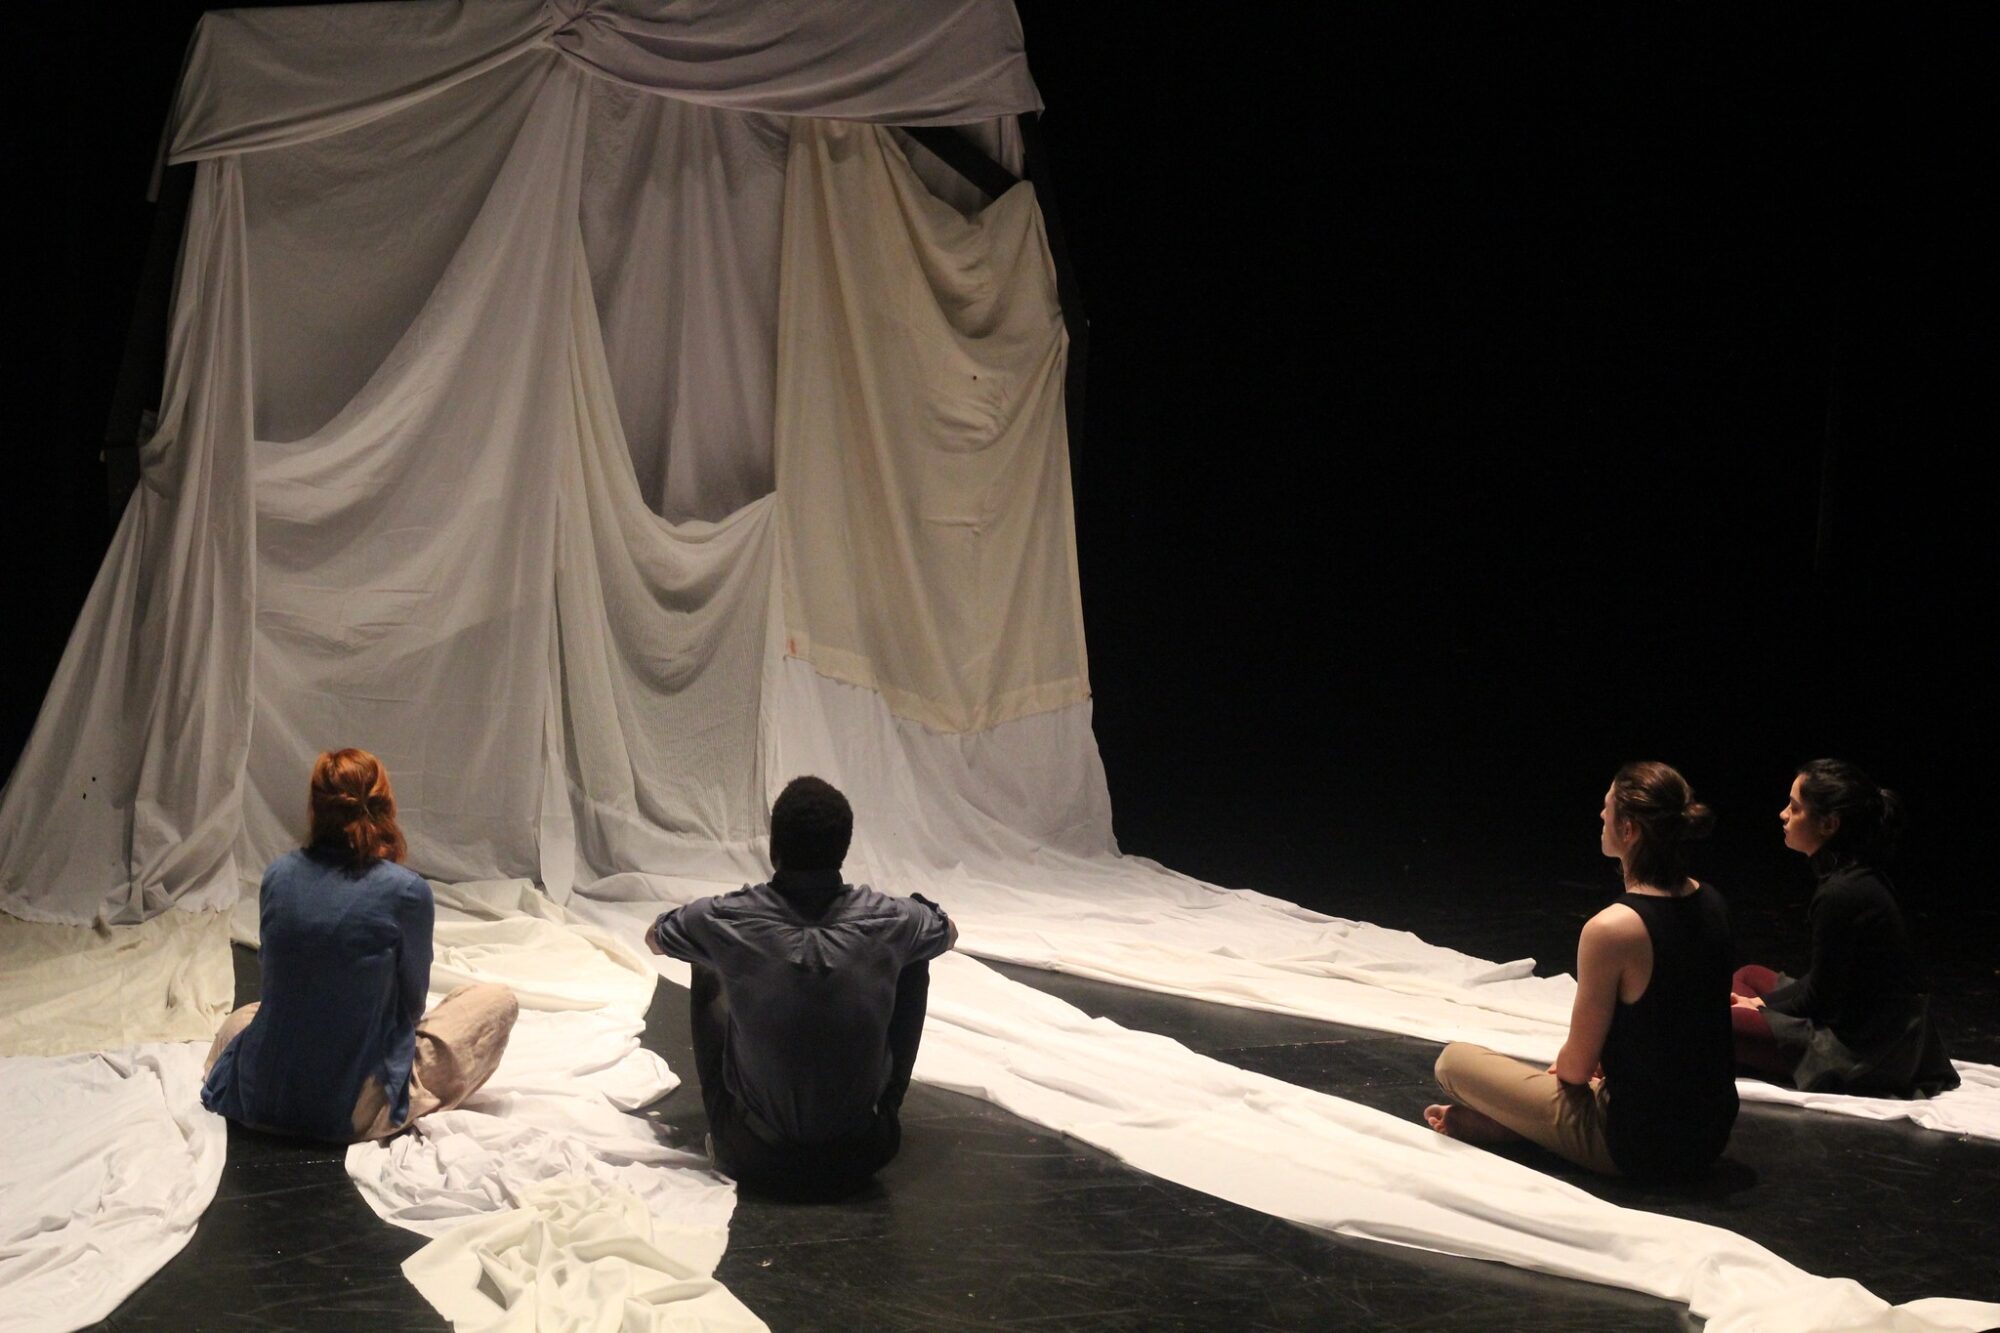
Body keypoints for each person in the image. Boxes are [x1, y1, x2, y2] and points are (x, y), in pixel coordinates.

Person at [646, 775, 956, 1200]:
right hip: (864, 1157)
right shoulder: (892, 919)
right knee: (915, 956)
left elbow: (655, 938)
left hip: (755, 1156)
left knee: (705, 957)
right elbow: (949, 933)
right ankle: (886, 1108)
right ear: (844, 850)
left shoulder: (726, 918)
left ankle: (726, 1123)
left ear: (774, 849)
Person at [1424, 762, 1738, 1180]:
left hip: (1636, 1146)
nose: (1601, 816)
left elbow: (1574, 1068)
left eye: (1608, 807)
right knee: (1574, 1086)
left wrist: (1572, 1069)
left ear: (1630, 831)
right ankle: (1524, 1122)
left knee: (1454, 1062)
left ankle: (1516, 1125)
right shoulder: (1713, 902)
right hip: (1710, 1137)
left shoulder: (1612, 928)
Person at [201, 748, 518, 1141]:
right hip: (342, 1107)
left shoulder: (277, 875)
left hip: (259, 1097)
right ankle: (370, 1104)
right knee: (497, 1001)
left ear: (315, 809)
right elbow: (411, 1003)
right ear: (385, 807)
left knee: (247, 1018)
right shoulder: (407, 891)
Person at [1729, 760, 1958, 1096]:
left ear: (1829, 824)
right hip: (1870, 1026)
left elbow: (1820, 1000)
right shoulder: (1852, 878)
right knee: (1748, 976)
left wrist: (1760, 1008)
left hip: (1867, 1052)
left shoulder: (1842, 894)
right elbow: (1824, 980)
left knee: (1716, 1019)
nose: (1783, 815)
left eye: (1794, 808)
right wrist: (1760, 1001)